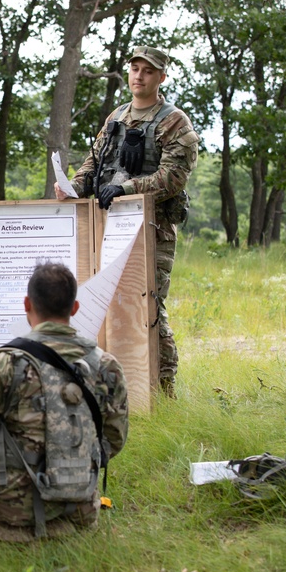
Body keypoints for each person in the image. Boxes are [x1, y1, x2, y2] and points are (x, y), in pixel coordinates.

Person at [0, 262, 128, 543]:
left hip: (8, 509)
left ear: (27, 304)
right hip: (79, 508)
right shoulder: (106, 365)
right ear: (74, 308)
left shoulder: (2, 364)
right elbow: (114, 438)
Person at [56, 45, 200, 396]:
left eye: (148, 71)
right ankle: (120, 385)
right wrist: (72, 186)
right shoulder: (116, 117)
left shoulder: (175, 122)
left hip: (153, 228)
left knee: (149, 303)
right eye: (135, 69)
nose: (139, 75)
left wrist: (126, 189)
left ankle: (164, 390)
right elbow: (94, 163)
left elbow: (172, 178)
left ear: (161, 77)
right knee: (107, 303)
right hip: (108, 225)